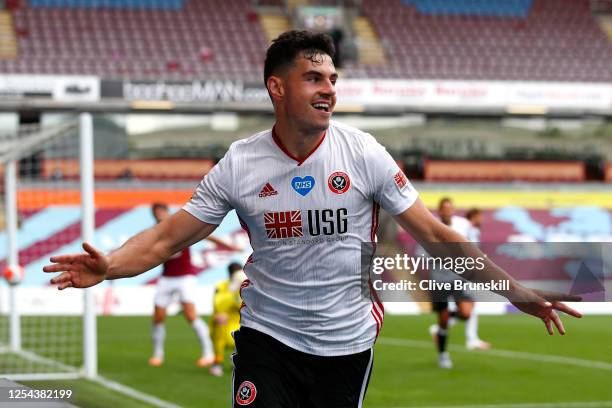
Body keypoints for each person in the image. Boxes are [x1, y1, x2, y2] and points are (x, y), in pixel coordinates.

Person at [44, 30, 581, 408]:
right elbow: (165, 239)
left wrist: (515, 292)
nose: (329, 89)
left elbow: (438, 237)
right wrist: (110, 265)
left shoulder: (364, 152)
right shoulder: (240, 163)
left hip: (346, 344)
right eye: (313, 78)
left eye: (332, 78)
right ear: (277, 88)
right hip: (267, 339)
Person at [148, 202, 215, 368]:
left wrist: (226, 245)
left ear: (166, 211)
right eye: (156, 213)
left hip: (185, 276)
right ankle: (158, 354)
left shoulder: (178, 225)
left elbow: (205, 235)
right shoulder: (154, 233)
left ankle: (209, 353)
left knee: (190, 314)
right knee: (158, 317)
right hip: (166, 277)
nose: (159, 215)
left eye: (161, 211)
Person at [427, 198, 490, 370]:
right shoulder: (430, 226)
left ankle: (447, 324)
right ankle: (442, 355)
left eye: (450, 208)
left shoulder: (462, 225)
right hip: (438, 280)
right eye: (444, 208)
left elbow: (471, 245)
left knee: (466, 311)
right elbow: (423, 253)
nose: (447, 211)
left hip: (458, 279)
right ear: (439, 211)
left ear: (453, 210)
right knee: (443, 320)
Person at [209, 262, 247, 377]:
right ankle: (217, 363)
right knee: (219, 326)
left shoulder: (245, 287)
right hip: (224, 322)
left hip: (238, 321)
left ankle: (237, 360)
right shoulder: (221, 286)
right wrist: (220, 313)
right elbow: (218, 303)